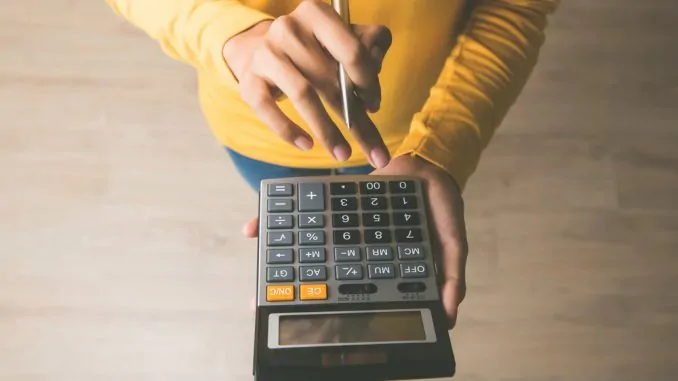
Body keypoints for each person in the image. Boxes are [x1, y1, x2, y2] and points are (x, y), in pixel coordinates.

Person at [105, 0, 559, 329]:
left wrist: (442, 143)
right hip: (262, 132)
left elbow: (516, 6)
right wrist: (231, 34)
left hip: (406, 138)